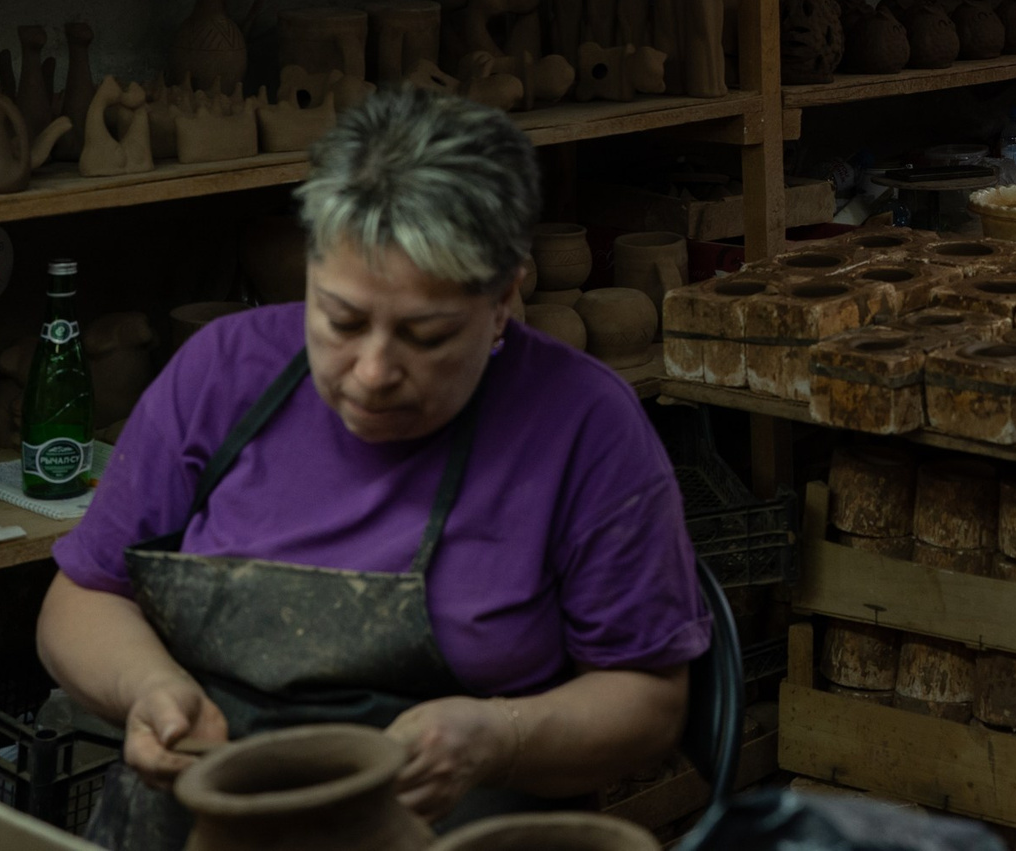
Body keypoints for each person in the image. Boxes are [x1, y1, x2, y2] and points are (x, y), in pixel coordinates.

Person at [39, 84, 708, 849]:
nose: (372, 371)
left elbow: (652, 699)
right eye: (341, 319)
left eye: (426, 334)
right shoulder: (221, 371)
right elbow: (81, 597)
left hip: (452, 822)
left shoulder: (586, 425)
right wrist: (147, 688)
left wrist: (503, 735)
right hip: (209, 816)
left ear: (502, 301)